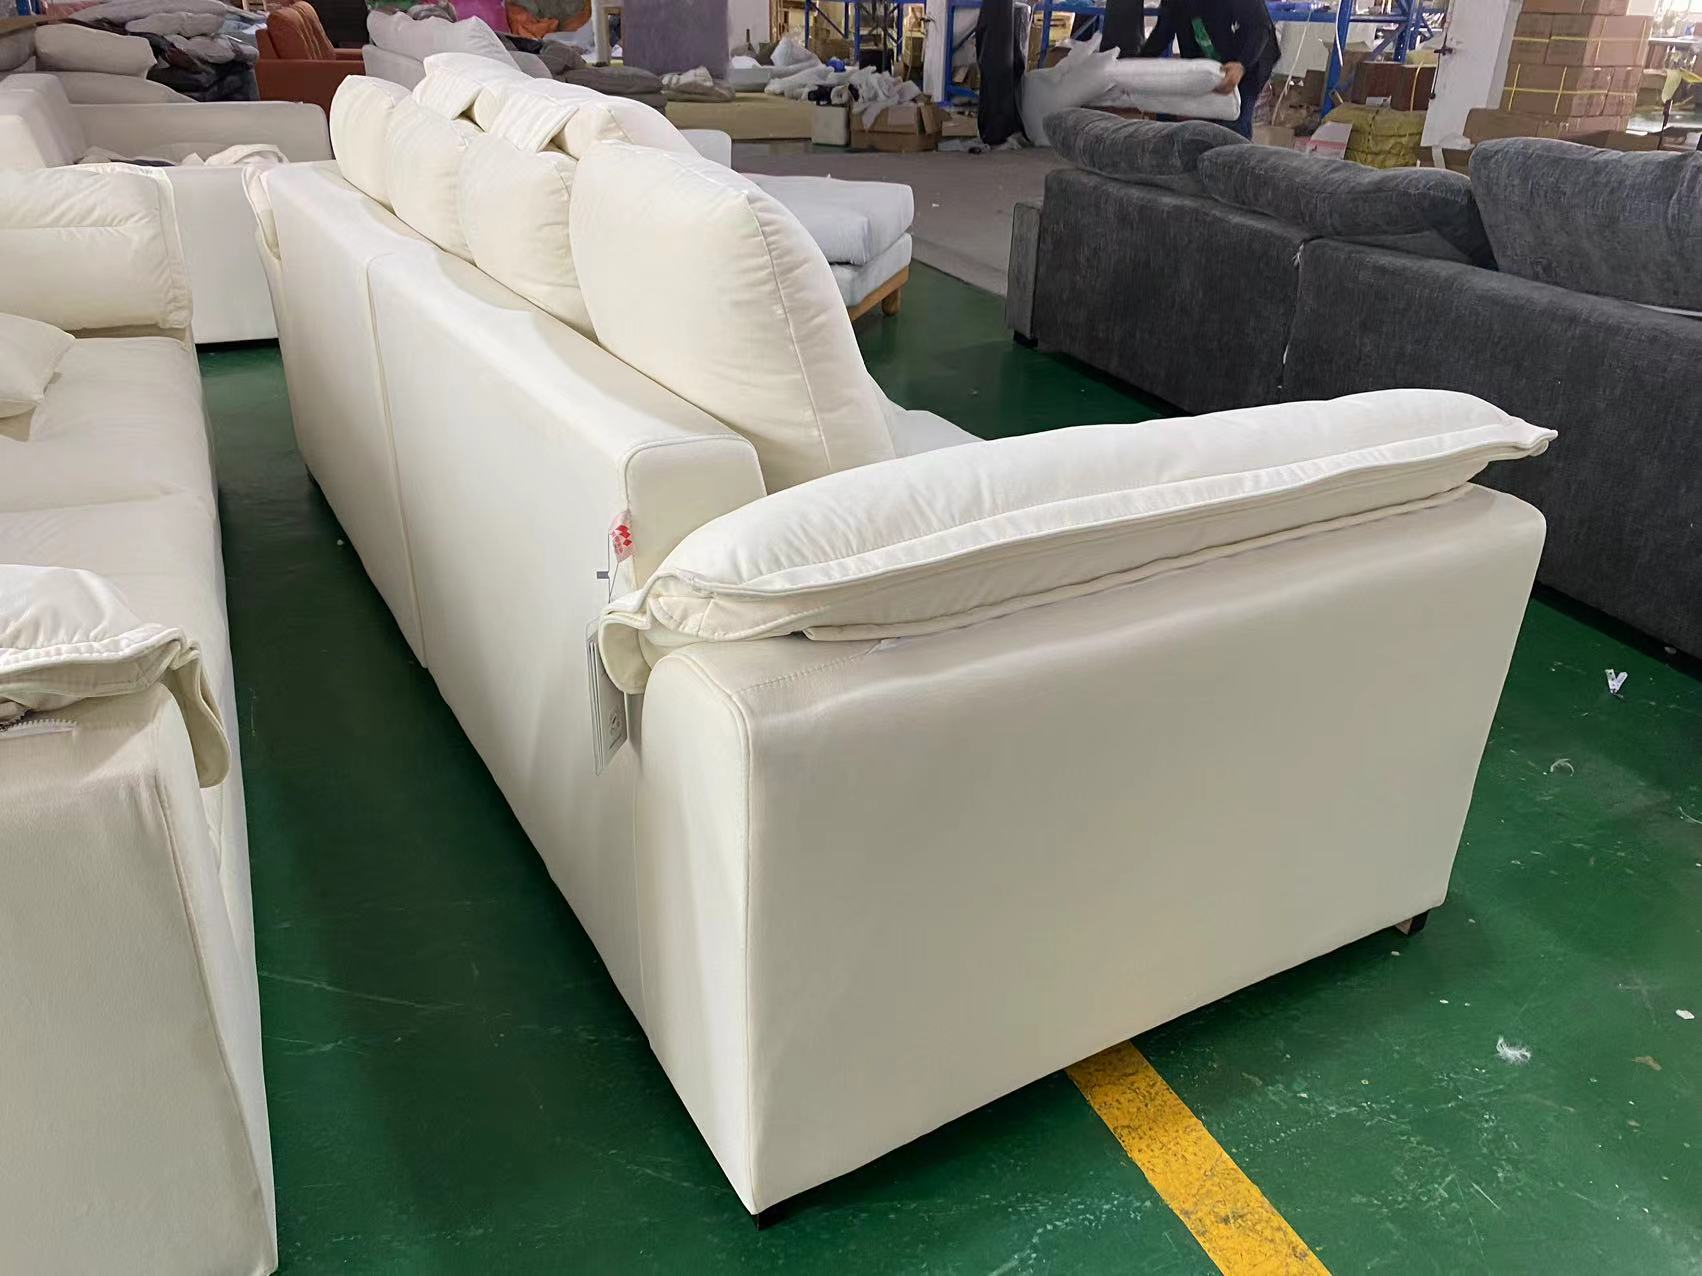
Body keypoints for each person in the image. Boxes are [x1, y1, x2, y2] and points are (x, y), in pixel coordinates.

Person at [1139, 0, 1280, 139]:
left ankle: (1234, 149)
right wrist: (1135, 65)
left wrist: (1241, 64)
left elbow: (1259, 25)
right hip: (1209, 60)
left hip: (1250, 58)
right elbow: (1162, 33)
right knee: (1194, 119)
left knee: (1234, 121)